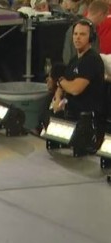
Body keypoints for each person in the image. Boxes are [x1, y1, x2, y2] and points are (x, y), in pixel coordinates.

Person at [56, 19, 106, 150]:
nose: (78, 37)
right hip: (71, 114)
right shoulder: (74, 60)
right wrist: (57, 99)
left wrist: (61, 81)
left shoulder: (92, 60)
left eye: (82, 34)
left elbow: (75, 89)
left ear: (91, 38)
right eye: (76, 34)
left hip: (87, 120)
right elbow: (62, 86)